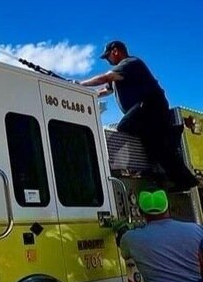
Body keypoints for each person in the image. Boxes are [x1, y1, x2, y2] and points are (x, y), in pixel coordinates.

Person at [80, 40, 198, 192]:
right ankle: (183, 179)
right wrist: (86, 94)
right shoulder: (119, 74)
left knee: (124, 126)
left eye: (108, 56)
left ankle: (168, 137)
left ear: (115, 51)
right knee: (156, 147)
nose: (107, 60)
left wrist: (79, 84)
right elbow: (106, 90)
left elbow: (105, 78)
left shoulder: (130, 63)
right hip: (145, 113)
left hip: (150, 106)